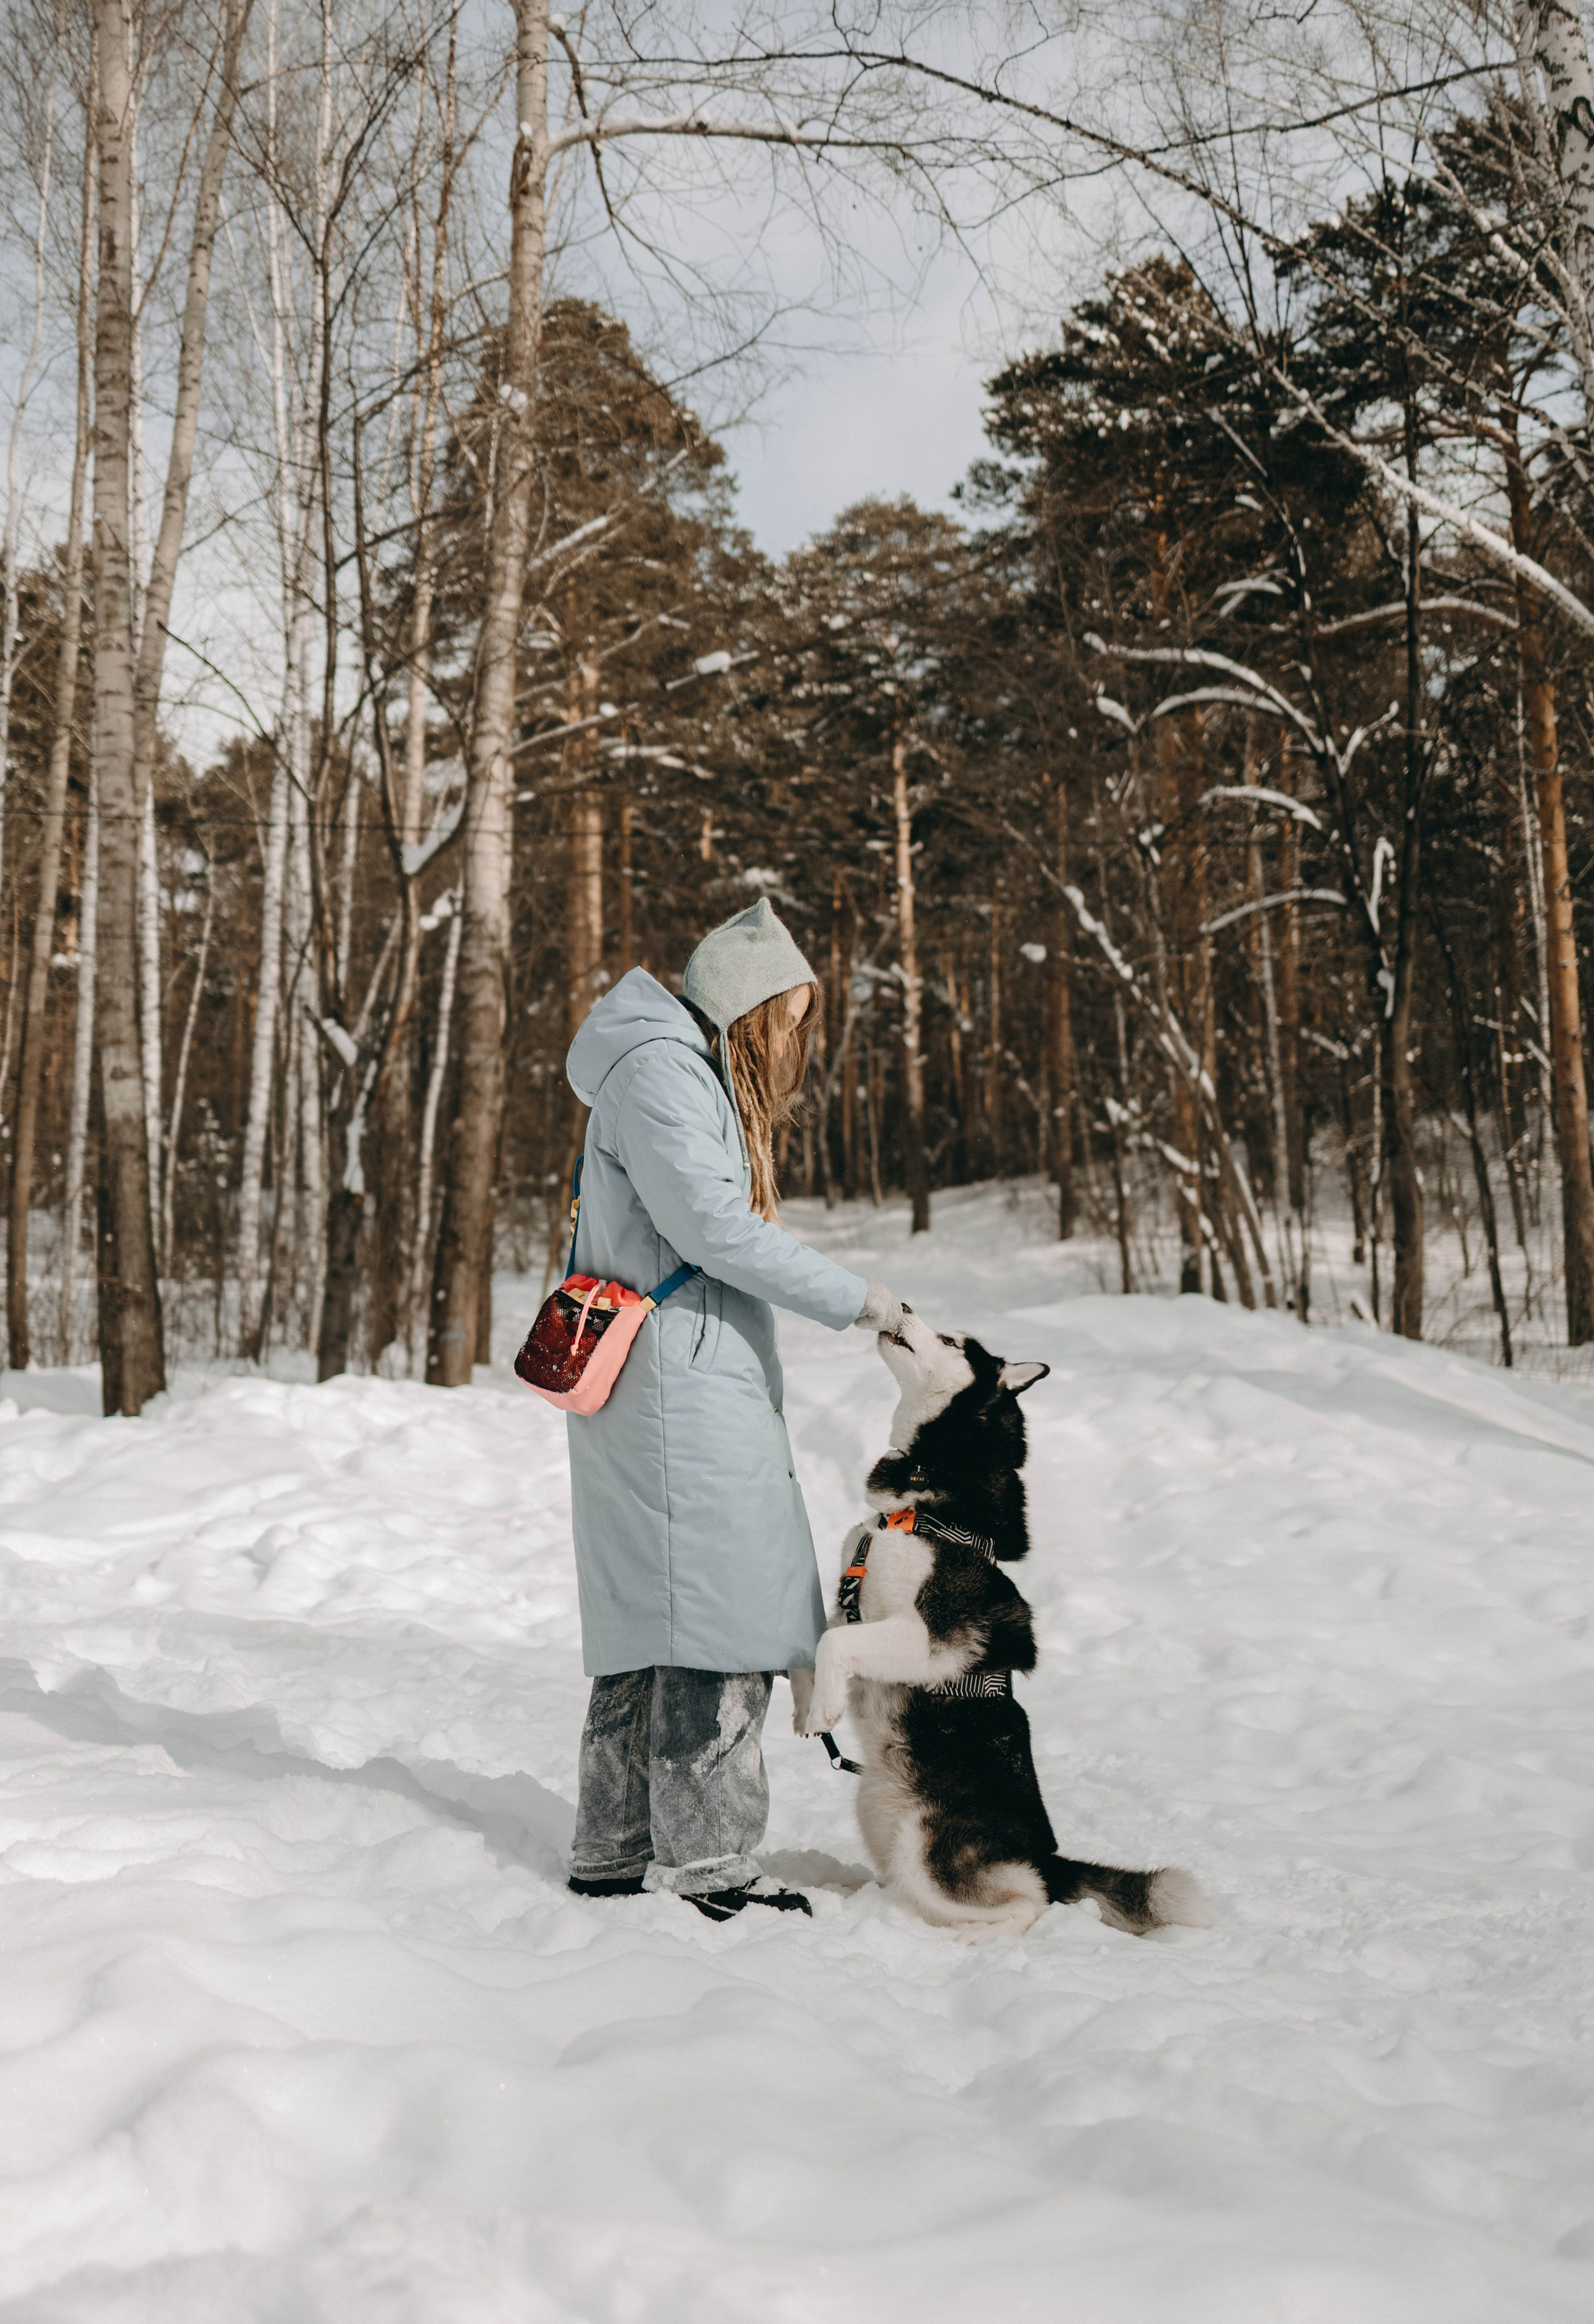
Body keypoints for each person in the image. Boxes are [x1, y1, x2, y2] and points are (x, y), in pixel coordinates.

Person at [560, 898, 903, 1920]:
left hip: (669, 1372)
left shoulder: (670, 1064)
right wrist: (862, 1301)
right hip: (674, 1384)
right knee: (722, 1613)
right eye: (790, 1020)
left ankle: (615, 1848)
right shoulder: (665, 1070)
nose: (795, 1041)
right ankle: (710, 1865)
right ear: (749, 1009)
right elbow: (712, 1227)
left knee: (657, 1620)